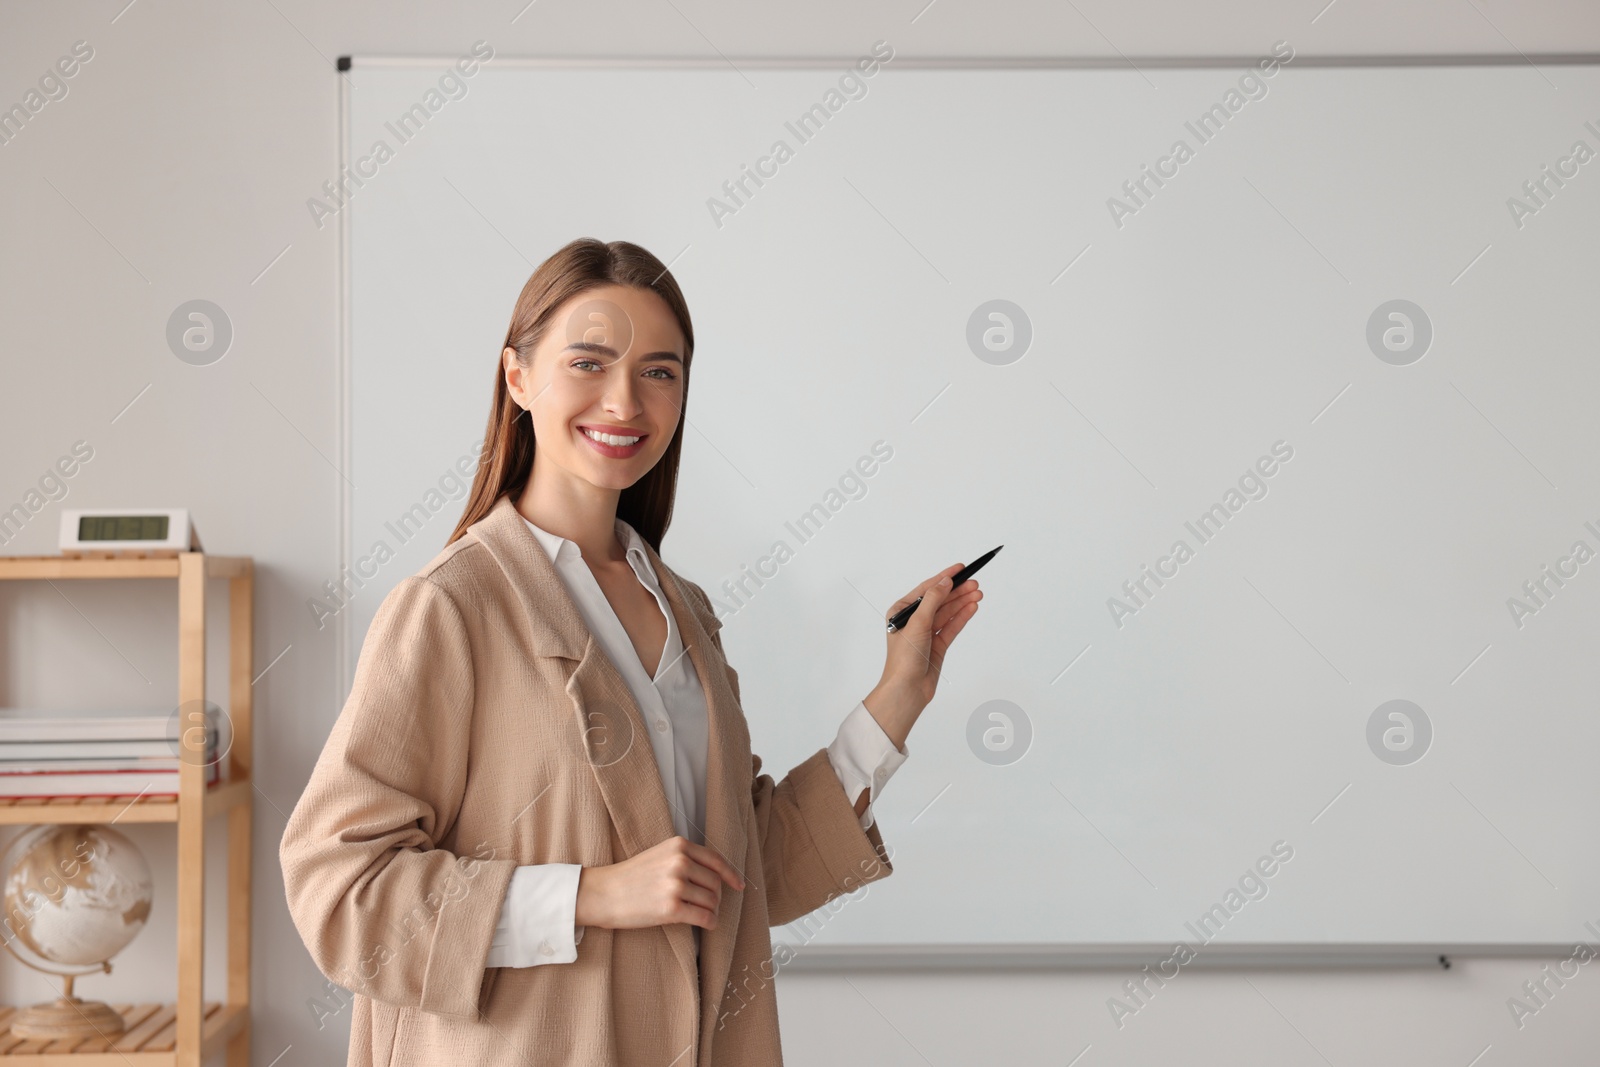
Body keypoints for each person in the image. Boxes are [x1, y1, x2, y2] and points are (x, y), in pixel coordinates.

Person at [279, 238, 982, 1066]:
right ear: (517, 378)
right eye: (589, 362)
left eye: (659, 371)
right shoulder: (449, 607)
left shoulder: (687, 611)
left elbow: (741, 873)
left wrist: (899, 694)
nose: (625, 402)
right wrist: (588, 895)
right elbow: (338, 888)